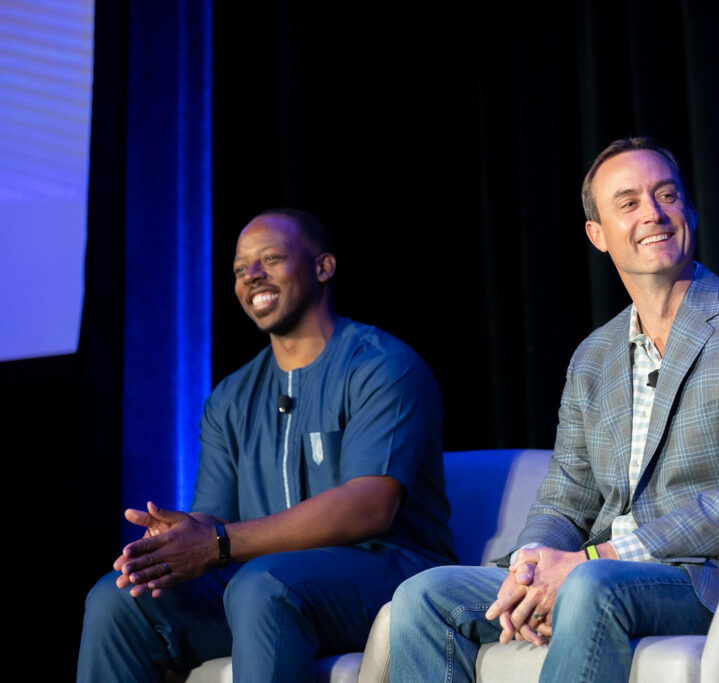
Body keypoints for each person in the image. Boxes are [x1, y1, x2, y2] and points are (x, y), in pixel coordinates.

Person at [389, 137, 719, 682]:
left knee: (589, 586)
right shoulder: (593, 355)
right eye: (630, 202)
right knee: (424, 594)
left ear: (689, 210)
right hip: (604, 571)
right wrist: (531, 567)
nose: (654, 214)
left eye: (667, 195)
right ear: (598, 235)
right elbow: (566, 497)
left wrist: (595, 561)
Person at [77, 209, 455, 682]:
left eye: (270, 259)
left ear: (323, 267)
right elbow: (215, 513)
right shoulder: (231, 396)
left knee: (264, 583)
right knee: (118, 599)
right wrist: (181, 538)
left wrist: (216, 544)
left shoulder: (382, 366)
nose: (251, 275)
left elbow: (370, 507)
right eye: (240, 269)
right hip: (263, 587)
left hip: (391, 573)